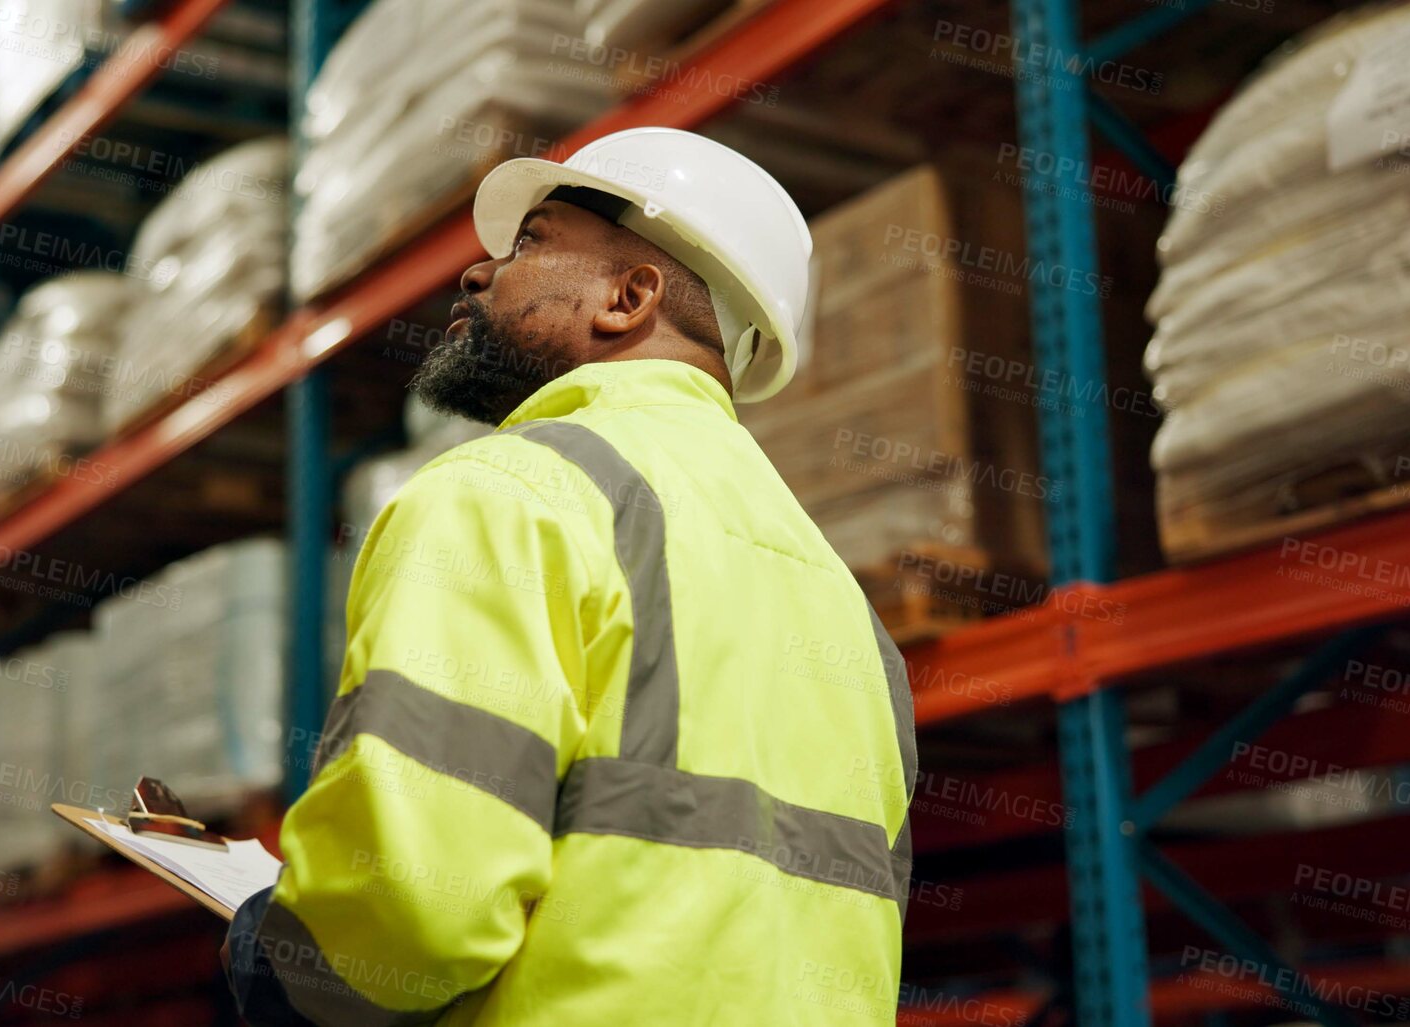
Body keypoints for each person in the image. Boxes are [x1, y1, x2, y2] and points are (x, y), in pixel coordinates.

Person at [222, 127, 916, 1025]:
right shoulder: (845, 604)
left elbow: (412, 905)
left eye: (532, 242)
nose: (478, 272)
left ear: (629, 298)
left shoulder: (507, 498)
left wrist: (281, 966)